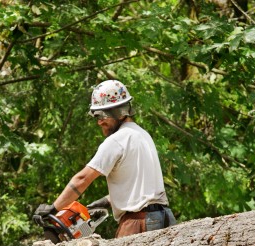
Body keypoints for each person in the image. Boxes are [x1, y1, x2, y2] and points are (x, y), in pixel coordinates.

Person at [34, 80, 175, 238]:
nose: (99, 121)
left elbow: (83, 178)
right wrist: (109, 200)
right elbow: (143, 187)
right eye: (96, 116)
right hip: (163, 217)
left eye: (102, 116)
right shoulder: (142, 135)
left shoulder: (117, 140)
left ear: (119, 112)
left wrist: (54, 209)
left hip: (138, 221)